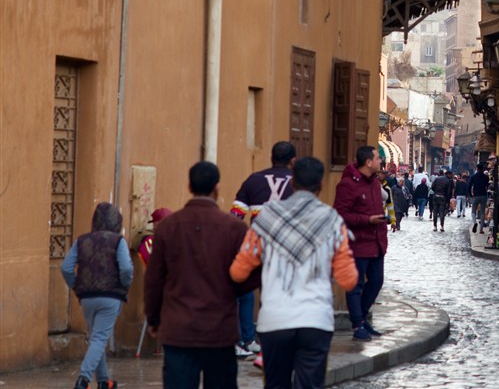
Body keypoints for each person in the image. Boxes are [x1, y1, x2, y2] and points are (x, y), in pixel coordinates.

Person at [230, 156, 358, 388]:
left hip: (274, 320)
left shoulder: (267, 218)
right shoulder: (332, 222)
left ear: (292, 183)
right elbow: (348, 280)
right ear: (321, 185)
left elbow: (239, 272)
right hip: (316, 320)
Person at [144, 161, 258, 389]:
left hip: (178, 329)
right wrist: (231, 292)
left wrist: (154, 318)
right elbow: (251, 275)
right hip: (219, 329)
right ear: (216, 188)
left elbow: (154, 279)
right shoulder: (234, 229)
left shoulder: (168, 227)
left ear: (189, 186)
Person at [229, 140, 296, 360]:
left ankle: (247, 338)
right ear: (293, 160)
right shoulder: (299, 183)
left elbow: (236, 216)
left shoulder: (254, 180)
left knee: (245, 292)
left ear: (271, 157)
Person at [62, 202, 134, 389]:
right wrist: (125, 285)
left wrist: (76, 287)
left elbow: (66, 267)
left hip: (87, 297)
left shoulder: (82, 240)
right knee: (100, 338)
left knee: (96, 338)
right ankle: (83, 379)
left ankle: (103, 381)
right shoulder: (118, 241)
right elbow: (126, 268)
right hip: (111, 296)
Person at [333, 145, 389, 341]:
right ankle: (357, 324)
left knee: (376, 281)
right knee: (355, 286)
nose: (380, 161)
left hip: (376, 242)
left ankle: (363, 318)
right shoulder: (347, 185)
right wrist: (367, 220)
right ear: (368, 162)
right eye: (378, 158)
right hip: (357, 244)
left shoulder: (375, 182)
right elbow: (340, 215)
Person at [469, 162, 489, 233]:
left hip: (476, 195)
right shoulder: (486, 177)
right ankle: (481, 229)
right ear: (482, 169)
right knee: (482, 212)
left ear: (477, 169)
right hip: (483, 195)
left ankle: (475, 222)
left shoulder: (473, 177)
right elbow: (487, 186)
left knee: (473, 211)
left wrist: (470, 195)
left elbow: (469, 186)